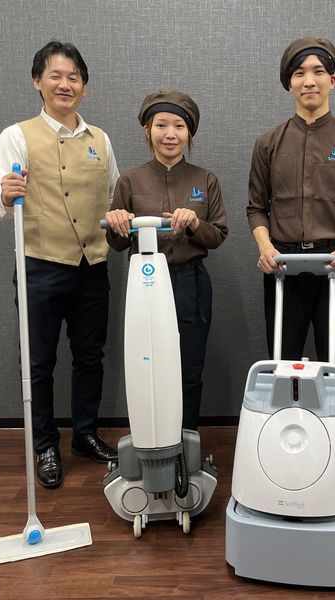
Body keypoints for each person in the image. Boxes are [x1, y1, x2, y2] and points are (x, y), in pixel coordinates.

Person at [0, 41, 120, 488]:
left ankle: (84, 434)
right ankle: (44, 444)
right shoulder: (17, 136)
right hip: (40, 265)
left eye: (73, 77)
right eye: (55, 76)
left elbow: (116, 196)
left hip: (92, 264)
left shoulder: (100, 140)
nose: (65, 84)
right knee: (39, 362)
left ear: (84, 86)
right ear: (37, 82)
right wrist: (5, 195)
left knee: (90, 357)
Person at [246, 37, 335, 367]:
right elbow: (257, 208)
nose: (309, 81)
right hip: (282, 263)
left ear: (332, 80)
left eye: (318, 71)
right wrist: (265, 248)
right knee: (282, 361)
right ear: (289, 83)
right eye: (299, 73)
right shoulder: (267, 143)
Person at [105, 90, 227, 431]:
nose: (170, 134)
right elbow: (116, 244)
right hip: (145, 284)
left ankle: (186, 441)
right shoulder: (130, 180)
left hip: (191, 283)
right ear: (148, 130)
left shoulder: (205, 180)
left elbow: (217, 236)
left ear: (189, 133)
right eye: (161, 125)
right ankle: (151, 439)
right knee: (148, 366)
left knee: (189, 369)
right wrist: (116, 223)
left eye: (178, 126)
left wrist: (194, 223)